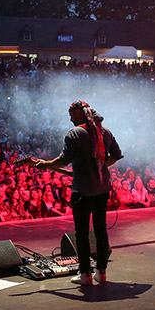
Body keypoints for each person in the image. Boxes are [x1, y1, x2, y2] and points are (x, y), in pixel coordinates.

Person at [35, 101, 122, 286]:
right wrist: (100, 165)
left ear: (80, 113)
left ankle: (85, 275)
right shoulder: (104, 131)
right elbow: (116, 154)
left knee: (81, 234)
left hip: (82, 190)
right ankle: (102, 272)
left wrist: (45, 164)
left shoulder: (75, 133)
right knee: (101, 230)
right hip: (102, 189)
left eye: (71, 113)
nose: (70, 118)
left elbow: (63, 161)